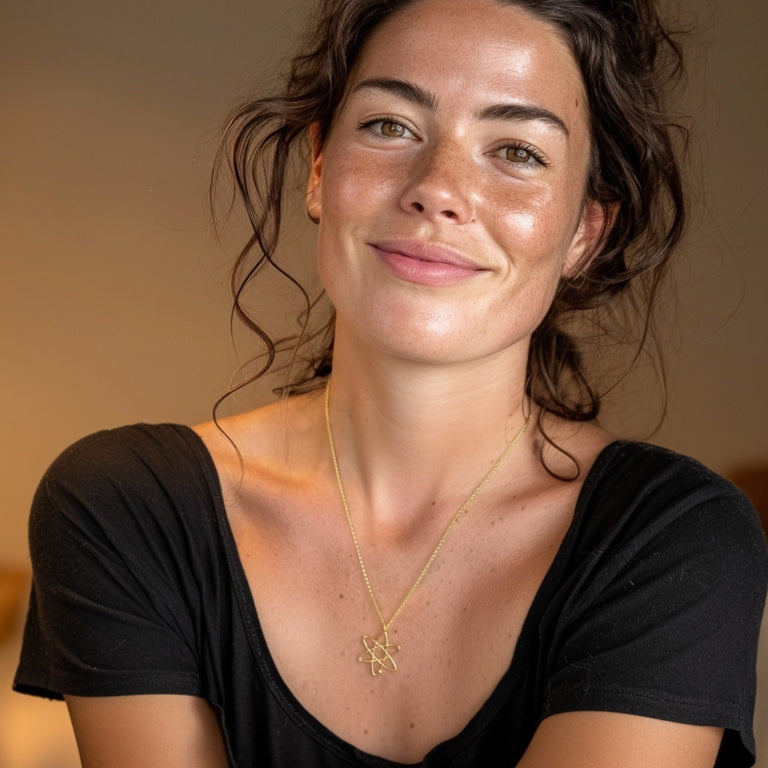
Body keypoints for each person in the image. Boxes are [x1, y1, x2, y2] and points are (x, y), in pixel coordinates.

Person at [13, 0, 768, 766]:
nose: (438, 189)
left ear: (584, 232)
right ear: (318, 171)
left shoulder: (671, 540)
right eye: (390, 126)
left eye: (516, 151)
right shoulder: (124, 507)